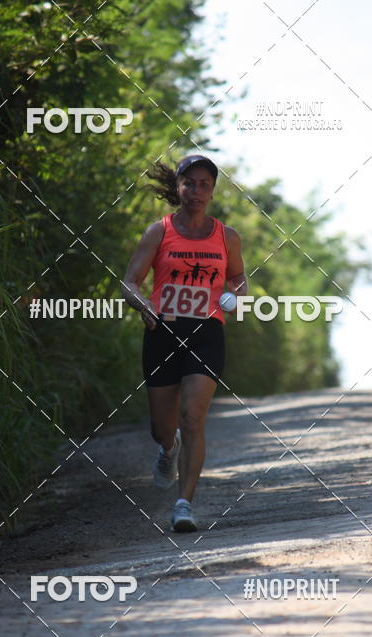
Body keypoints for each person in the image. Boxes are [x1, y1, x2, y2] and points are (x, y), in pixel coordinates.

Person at [122, 154, 247, 532]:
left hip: (206, 334)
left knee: (193, 416)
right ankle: (168, 447)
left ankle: (183, 505)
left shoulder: (227, 236)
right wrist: (143, 305)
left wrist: (235, 294)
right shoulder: (158, 232)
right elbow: (130, 282)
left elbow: (239, 278)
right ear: (178, 188)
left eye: (204, 184)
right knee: (163, 428)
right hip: (163, 332)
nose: (196, 190)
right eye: (189, 183)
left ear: (212, 191)